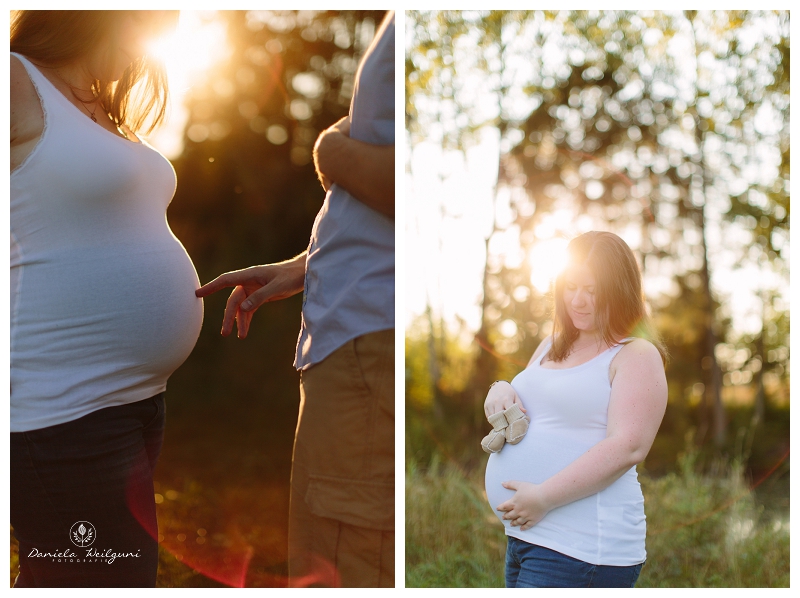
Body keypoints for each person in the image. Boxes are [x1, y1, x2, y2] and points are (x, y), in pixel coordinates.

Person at [195, 11, 395, 588]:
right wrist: (305, 267)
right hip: (347, 351)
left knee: (349, 566)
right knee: (323, 556)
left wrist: (330, 151)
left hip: (365, 351)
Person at [10, 10, 199, 587]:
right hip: (60, 405)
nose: (148, 53)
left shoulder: (95, 106)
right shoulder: (15, 79)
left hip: (134, 401)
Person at [483, 231, 668, 588]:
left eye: (593, 290)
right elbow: (539, 407)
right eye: (570, 287)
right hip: (527, 539)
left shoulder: (635, 354)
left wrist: (542, 497)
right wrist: (501, 388)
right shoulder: (551, 345)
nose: (578, 301)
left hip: (584, 547)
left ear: (619, 289)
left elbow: (629, 445)